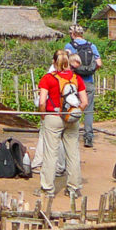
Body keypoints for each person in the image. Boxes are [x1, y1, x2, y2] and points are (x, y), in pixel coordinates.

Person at [36, 50, 88, 198]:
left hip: (53, 117)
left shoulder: (48, 78)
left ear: (54, 62)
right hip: (72, 118)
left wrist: (43, 115)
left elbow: (42, 101)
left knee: (50, 154)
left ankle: (47, 189)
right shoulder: (76, 78)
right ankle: (73, 188)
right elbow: (84, 102)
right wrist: (74, 112)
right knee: (73, 153)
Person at [65, 25, 102, 147]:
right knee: (89, 110)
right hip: (89, 81)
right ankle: (88, 137)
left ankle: (71, 134)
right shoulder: (92, 46)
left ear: (73, 34)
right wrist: (90, 70)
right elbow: (99, 63)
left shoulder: (70, 46)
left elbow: (65, 64)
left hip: (74, 82)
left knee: (70, 107)